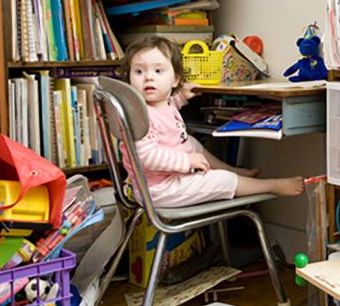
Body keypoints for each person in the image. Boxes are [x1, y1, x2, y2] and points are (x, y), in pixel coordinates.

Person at [120, 36, 304, 208]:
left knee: (190, 143)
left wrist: (182, 96)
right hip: (159, 190)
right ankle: (270, 186)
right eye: (139, 71)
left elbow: (167, 110)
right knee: (221, 180)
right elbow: (146, 156)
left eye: (158, 70)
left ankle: (235, 170)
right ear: (129, 78)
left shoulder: (156, 104)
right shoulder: (139, 116)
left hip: (161, 181)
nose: (148, 77)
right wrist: (186, 161)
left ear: (175, 79)